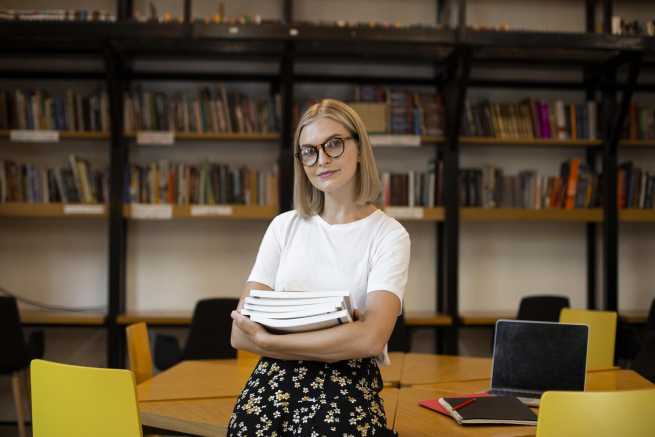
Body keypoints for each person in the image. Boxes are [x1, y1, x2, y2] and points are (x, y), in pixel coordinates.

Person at [228, 98, 411, 436]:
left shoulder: (389, 235)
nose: (322, 159)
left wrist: (271, 341)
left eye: (334, 144)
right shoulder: (284, 227)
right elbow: (240, 332)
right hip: (271, 382)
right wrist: (343, 333)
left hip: (348, 384)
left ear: (359, 147)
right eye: (309, 151)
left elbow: (371, 339)